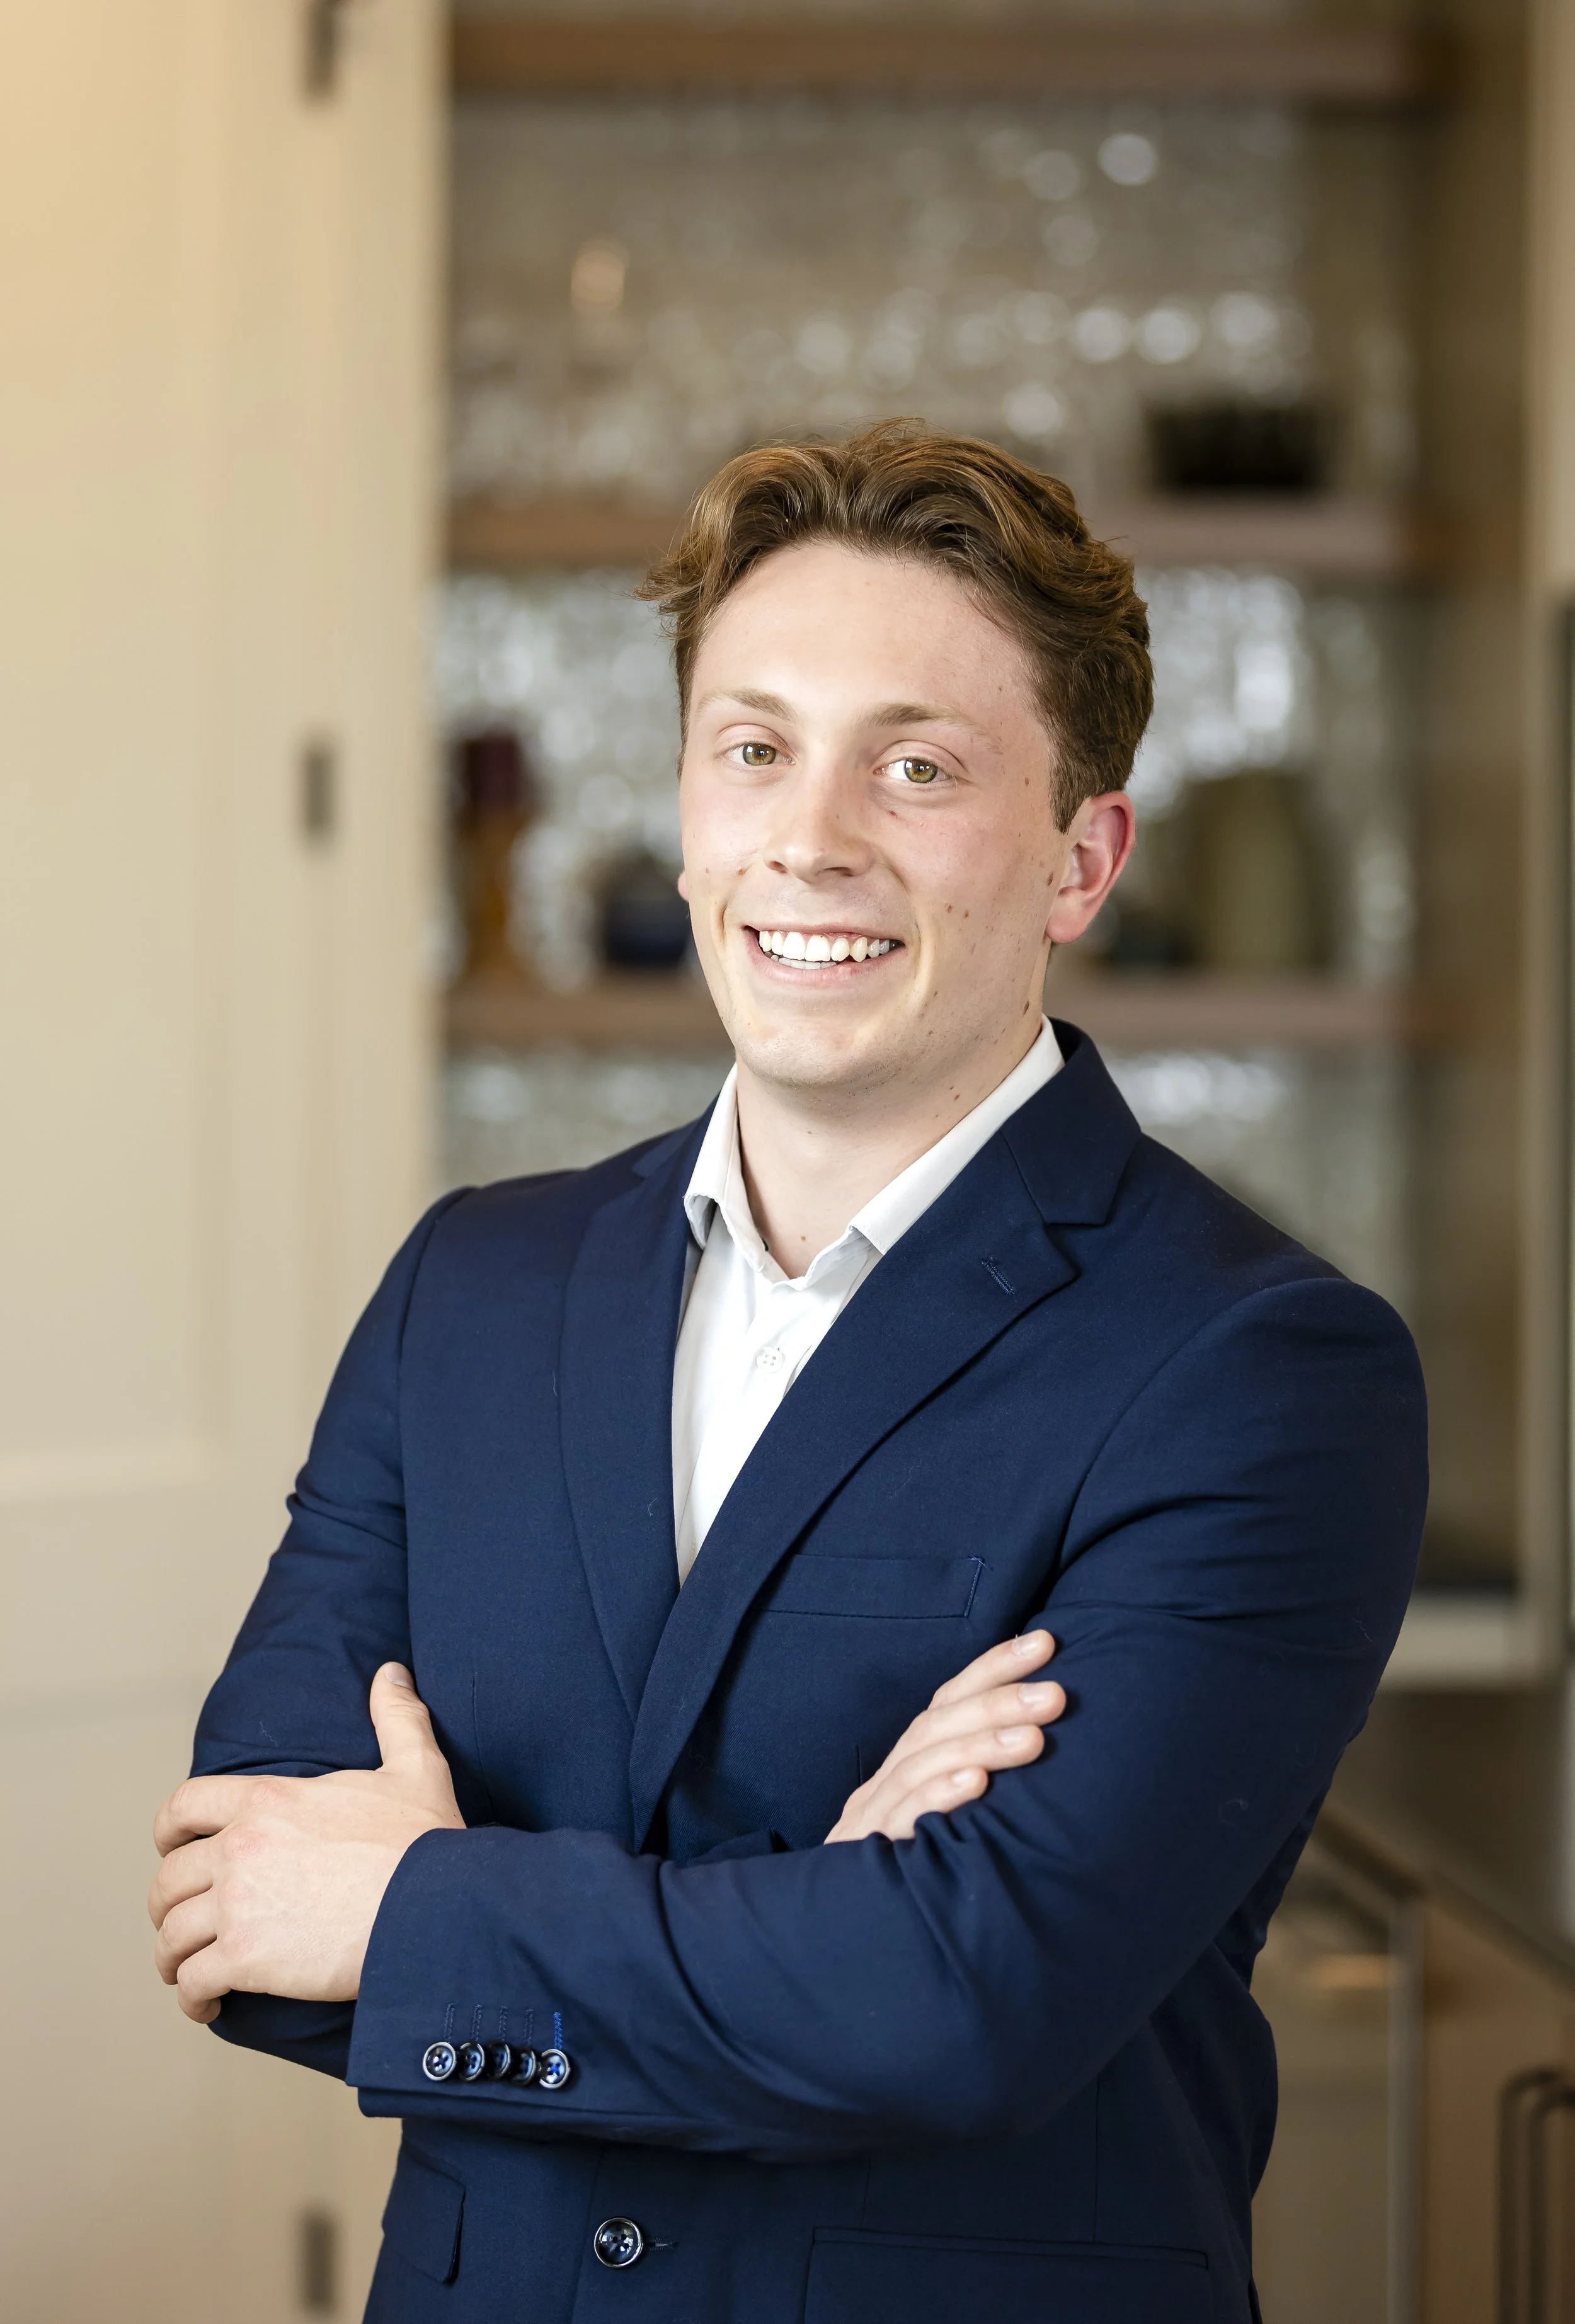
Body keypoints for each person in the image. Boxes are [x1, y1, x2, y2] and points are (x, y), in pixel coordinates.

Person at [149, 423, 1427, 2324]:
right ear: (686, 803)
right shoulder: (471, 1286)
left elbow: (968, 2006)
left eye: (914, 768)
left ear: (1083, 858)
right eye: (753, 747)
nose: (809, 837)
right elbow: (239, 1904)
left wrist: (420, 1909)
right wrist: (821, 1900)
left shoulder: (1255, 1368)